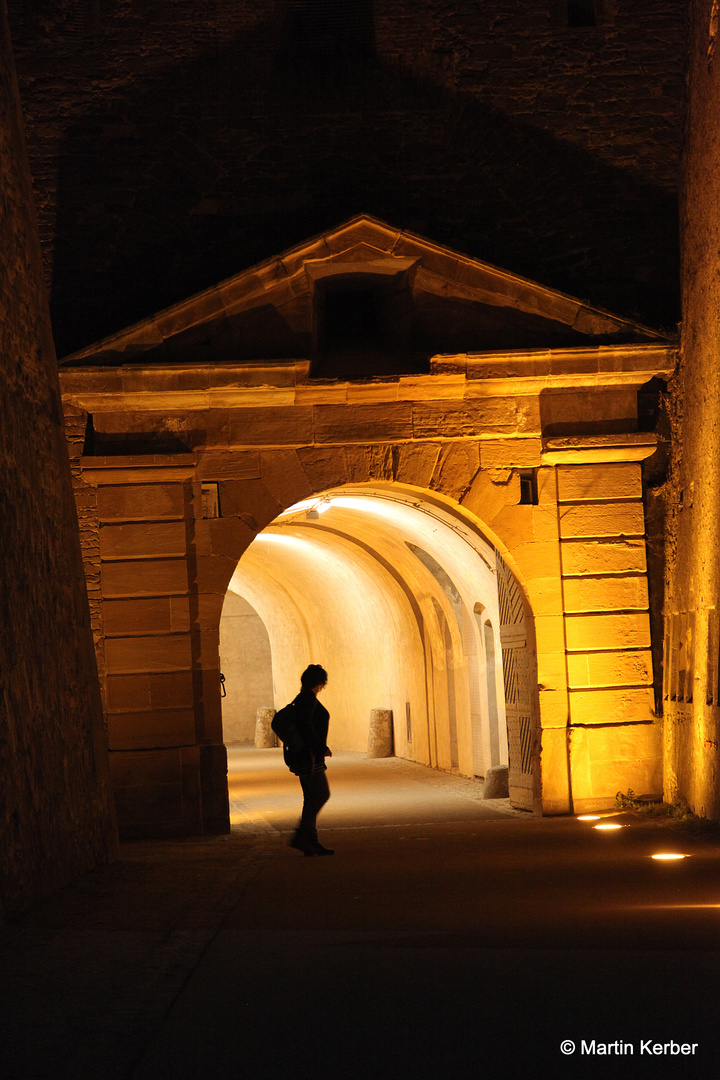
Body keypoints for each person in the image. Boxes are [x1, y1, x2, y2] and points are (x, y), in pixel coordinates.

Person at [285, 664, 334, 857]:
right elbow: (306, 727)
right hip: (309, 757)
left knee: (311, 797)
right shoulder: (307, 700)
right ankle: (302, 836)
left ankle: (310, 842)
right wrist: (320, 748)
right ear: (320, 682)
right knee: (322, 794)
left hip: (304, 756)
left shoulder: (302, 697)